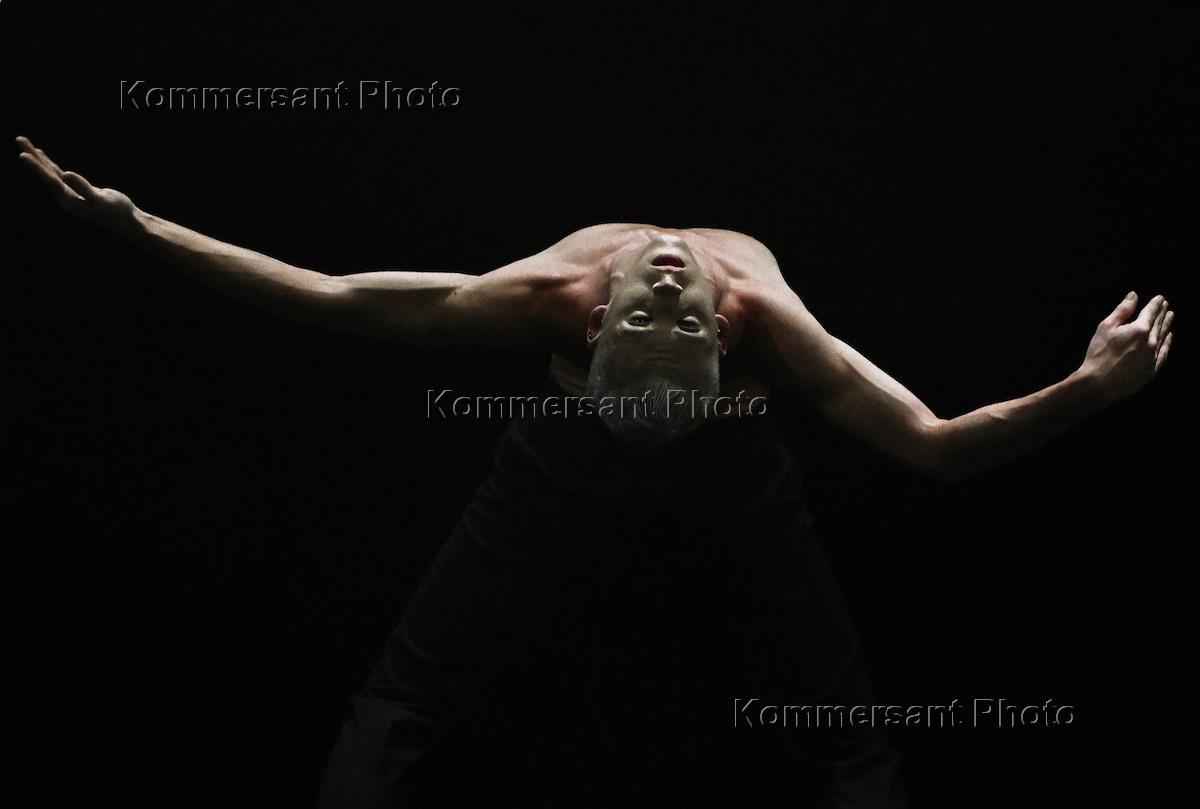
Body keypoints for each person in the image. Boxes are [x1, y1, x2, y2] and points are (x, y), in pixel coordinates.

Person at [15, 136, 1174, 806]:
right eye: (662, 305)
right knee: (415, 683)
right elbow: (333, 298)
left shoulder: (714, 319)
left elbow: (937, 448)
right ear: (592, 323)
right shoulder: (639, 306)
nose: (668, 282)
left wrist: (135, 222)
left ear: (723, 346)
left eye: (675, 310)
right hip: (566, 460)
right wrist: (1092, 385)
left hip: (728, 468)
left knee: (838, 710)